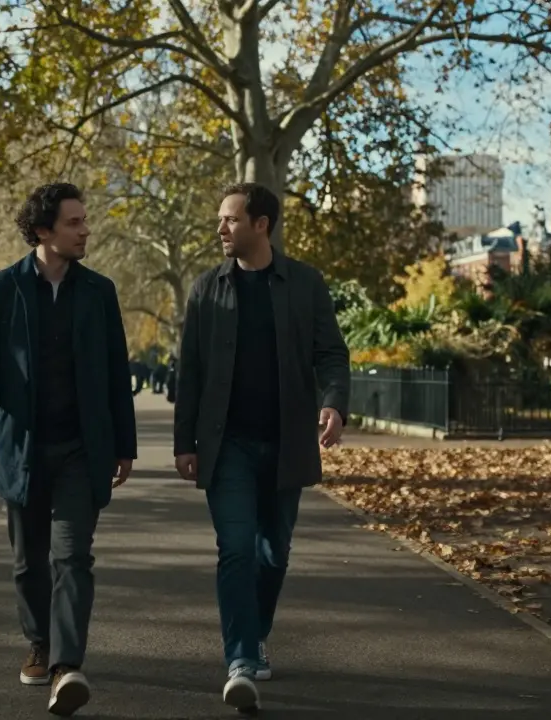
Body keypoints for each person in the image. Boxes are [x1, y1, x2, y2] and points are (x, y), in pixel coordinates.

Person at [0, 182, 137, 717]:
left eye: (85, 221)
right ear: (43, 231)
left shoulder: (99, 291)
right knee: (28, 561)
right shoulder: (2, 288)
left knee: (73, 556)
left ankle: (66, 666)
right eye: (74, 223)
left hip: (82, 449)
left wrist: (123, 445)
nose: (85, 231)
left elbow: (116, 371)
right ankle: (39, 642)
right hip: (22, 449)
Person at [172, 182, 350, 713]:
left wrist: (334, 404)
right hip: (227, 445)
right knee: (236, 549)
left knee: (274, 554)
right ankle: (242, 660)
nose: (220, 228)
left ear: (261, 224)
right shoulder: (206, 288)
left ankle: (255, 633)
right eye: (220, 219)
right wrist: (185, 443)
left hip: (286, 442)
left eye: (230, 219)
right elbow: (191, 371)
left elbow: (331, 353)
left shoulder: (305, 284)